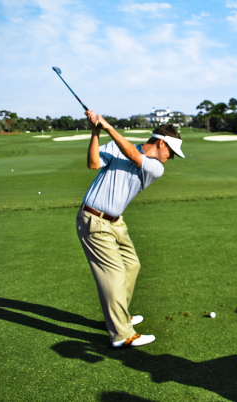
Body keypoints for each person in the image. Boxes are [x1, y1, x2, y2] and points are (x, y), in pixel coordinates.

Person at [76, 111, 184, 348]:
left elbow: (133, 155)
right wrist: (96, 132)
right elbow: (94, 163)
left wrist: (108, 127)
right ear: (161, 143)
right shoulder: (121, 148)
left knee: (132, 266)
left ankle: (119, 317)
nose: (172, 158)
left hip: (116, 222)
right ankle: (122, 334)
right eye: (172, 152)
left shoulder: (156, 167)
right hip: (94, 220)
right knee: (114, 274)